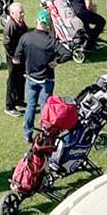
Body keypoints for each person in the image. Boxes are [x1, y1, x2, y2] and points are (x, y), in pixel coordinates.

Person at [15, 8, 63, 141]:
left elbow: (17, 56)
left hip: (31, 78)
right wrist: (56, 61)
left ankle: (27, 134)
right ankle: (44, 134)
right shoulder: (50, 41)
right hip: (46, 79)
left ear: (36, 21)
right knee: (45, 108)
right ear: (48, 24)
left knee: (30, 105)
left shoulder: (26, 37)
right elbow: (67, 53)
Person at [1, 1, 29, 115]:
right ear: (12, 13)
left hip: (22, 56)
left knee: (21, 78)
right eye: (20, 13)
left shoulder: (21, 23)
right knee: (12, 81)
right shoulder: (10, 26)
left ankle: (19, 100)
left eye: (23, 12)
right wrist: (13, 56)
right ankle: (9, 106)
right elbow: (6, 43)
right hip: (14, 58)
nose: (22, 15)